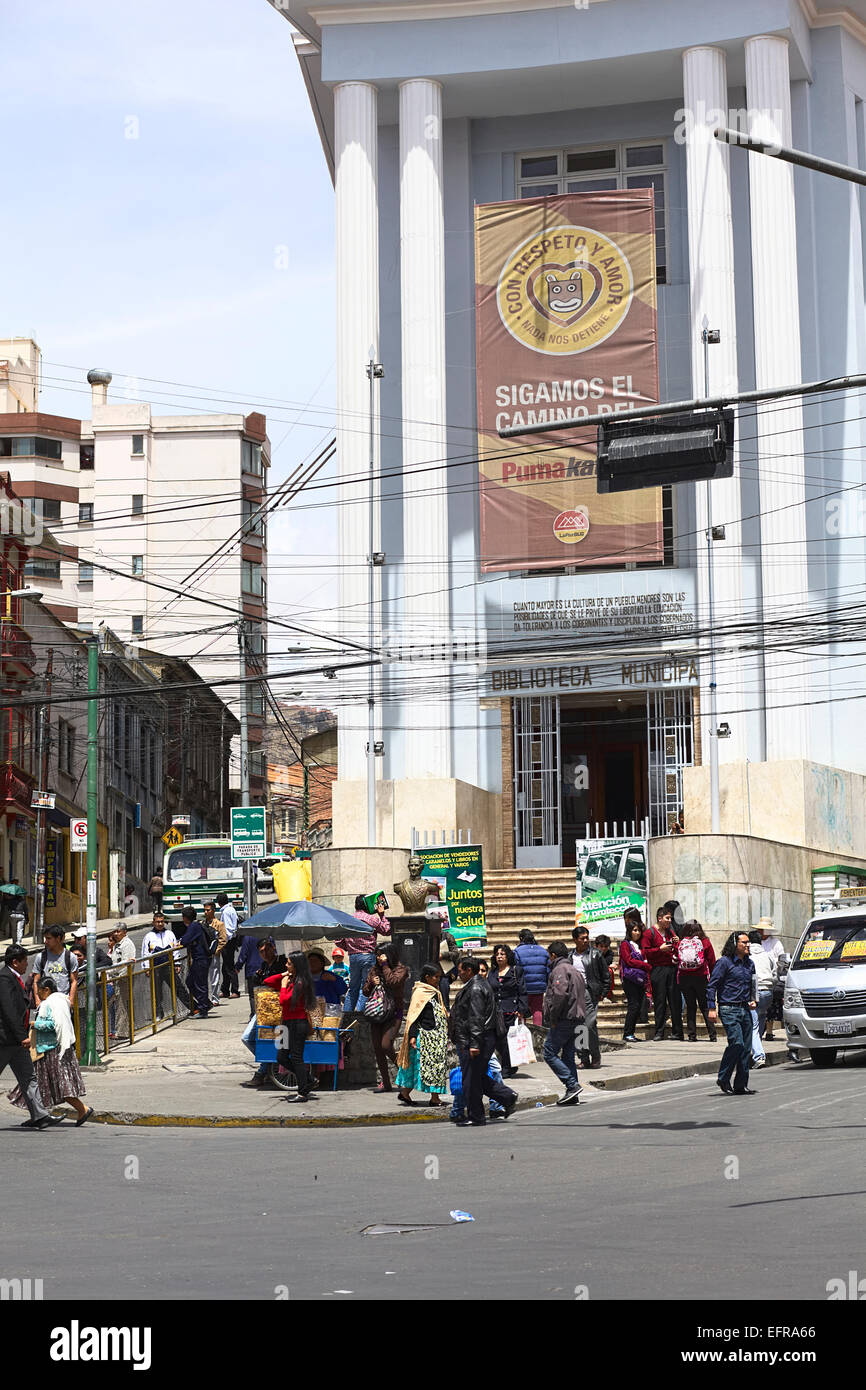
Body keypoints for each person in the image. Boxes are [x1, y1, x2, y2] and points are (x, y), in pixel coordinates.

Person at [9, 978, 92, 1125]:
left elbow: (53, 1025)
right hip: (50, 1050)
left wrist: (36, 1024)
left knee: (60, 1086)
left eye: (39, 991)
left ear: (46, 990)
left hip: (52, 1052)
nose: (37, 994)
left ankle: (82, 1109)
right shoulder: (60, 1001)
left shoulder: (50, 1003)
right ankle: (37, 1116)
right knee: (39, 1086)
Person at [447, 954, 517, 1126]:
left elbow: (476, 1018)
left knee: (471, 1080)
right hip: (475, 1039)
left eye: (461, 970)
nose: (459, 974)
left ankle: (476, 1116)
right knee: (476, 1077)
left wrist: (474, 1044)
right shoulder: (475, 985)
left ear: (469, 970)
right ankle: (507, 1097)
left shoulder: (476, 988)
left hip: (476, 1040)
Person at [0, 944, 58, 1129]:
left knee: (28, 1077)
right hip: (6, 1040)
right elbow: (9, 1011)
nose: (27, 964)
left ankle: (40, 1116)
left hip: (17, 1041)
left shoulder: (13, 977)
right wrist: (21, 1036)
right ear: (15, 962)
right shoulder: (4, 979)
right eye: (24, 960)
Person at [707, 932, 758, 1096]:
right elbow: (711, 985)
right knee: (737, 1043)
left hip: (745, 1009)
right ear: (735, 944)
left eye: (749, 942)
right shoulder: (724, 962)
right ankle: (723, 1077)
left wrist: (753, 999)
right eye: (744, 942)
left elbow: (753, 984)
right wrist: (711, 1008)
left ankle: (741, 1085)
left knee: (746, 1048)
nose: (748, 945)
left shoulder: (750, 964)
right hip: (728, 1008)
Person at [263, 951, 317, 1103]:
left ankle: (303, 1092)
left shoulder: (301, 982)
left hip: (297, 1023)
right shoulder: (290, 978)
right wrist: (283, 975)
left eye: (289, 963)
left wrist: (283, 986)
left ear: (296, 965)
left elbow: (284, 1000)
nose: (286, 965)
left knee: (296, 1057)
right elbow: (267, 981)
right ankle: (307, 1079)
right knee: (281, 1056)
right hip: (286, 1023)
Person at [396, 963, 449, 1107]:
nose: (438, 979)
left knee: (429, 1067)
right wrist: (412, 1036)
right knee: (426, 1067)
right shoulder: (421, 992)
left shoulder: (435, 991)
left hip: (436, 1037)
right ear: (427, 977)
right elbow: (414, 1016)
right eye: (436, 977)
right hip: (425, 1037)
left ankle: (406, 1093)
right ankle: (433, 1098)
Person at [240, 939, 288, 1088]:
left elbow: (279, 981)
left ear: (273, 948)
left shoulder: (283, 962)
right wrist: (258, 978)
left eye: (267, 950)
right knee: (247, 1037)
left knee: (274, 1042)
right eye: (261, 952)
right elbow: (261, 984)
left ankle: (263, 1071)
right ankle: (270, 1065)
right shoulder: (263, 966)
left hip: (278, 1009)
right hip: (264, 1009)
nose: (265, 954)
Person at [542, 940, 585, 1106]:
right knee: (568, 1055)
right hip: (577, 1018)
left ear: (553, 955)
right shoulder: (574, 970)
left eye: (549, 956)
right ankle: (573, 1093)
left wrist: (553, 1018)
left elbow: (559, 996)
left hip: (564, 1019)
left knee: (549, 1053)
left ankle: (572, 1085)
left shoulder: (560, 970)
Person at [362, 942, 408, 1094]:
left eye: (382, 954)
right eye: (377, 954)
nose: (379, 957)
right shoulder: (375, 969)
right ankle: (386, 1083)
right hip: (377, 1012)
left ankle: (405, 1073)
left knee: (386, 1045)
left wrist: (386, 965)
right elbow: (365, 992)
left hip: (394, 1013)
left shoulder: (400, 969)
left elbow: (393, 982)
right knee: (378, 1048)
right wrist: (371, 984)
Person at [335, 894, 391, 1014]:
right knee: (366, 987)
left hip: (353, 957)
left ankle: (347, 1017)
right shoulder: (372, 919)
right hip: (368, 956)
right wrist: (381, 915)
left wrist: (349, 947)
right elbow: (387, 930)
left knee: (352, 988)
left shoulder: (348, 920)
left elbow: (338, 940)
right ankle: (360, 1016)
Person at [641, 902, 684, 1041]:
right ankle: (659, 1031)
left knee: (675, 1000)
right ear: (660, 918)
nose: (670, 921)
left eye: (670, 918)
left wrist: (677, 942)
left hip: (671, 968)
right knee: (660, 1001)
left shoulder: (670, 932)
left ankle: (678, 1031)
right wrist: (659, 949)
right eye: (667, 918)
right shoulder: (649, 933)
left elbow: (677, 949)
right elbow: (645, 952)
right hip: (657, 970)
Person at [570, 926, 611, 1068]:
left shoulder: (595, 954)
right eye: (582, 938)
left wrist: (603, 992)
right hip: (574, 994)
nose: (586, 940)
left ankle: (595, 1055)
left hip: (589, 992)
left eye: (587, 937)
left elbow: (606, 975)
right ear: (575, 940)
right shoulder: (570, 957)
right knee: (578, 1027)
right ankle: (583, 1057)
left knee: (589, 1025)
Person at [488, 944, 529, 1078]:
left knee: (507, 1040)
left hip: (511, 1010)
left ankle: (507, 1067)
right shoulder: (492, 972)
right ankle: (509, 1065)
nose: (499, 957)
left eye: (502, 954)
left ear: (507, 957)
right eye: (497, 954)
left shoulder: (516, 971)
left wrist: (521, 1009)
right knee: (498, 1040)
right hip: (496, 1011)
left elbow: (522, 991)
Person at [677, 920, 718, 1042]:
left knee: (690, 1007)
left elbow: (676, 959)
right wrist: (713, 978)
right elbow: (711, 961)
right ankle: (712, 1035)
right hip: (701, 977)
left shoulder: (681, 942)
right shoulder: (705, 942)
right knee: (704, 1006)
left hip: (685, 978)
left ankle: (691, 1035)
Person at [141, 912, 179, 1021]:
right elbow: (145, 953)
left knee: (178, 988)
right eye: (158, 922)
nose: (160, 923)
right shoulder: (148, 936)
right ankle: (158, 1014)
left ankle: (190, 1008)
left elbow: (175, 949)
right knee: (157, 993)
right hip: (155, 968)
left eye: (162, 921)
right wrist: (147, 968)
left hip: (169, 966)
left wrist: (177, 963)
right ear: (154, 922)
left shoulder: (170, 934)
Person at [747, 928, 777, 1068]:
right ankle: (753, 1052)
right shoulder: (767, 955)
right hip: (768, 992)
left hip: (755, 992)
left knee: (753, 1025)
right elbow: (775, 972)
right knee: (759, 1022)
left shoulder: (748, 956)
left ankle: (759, 1056)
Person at [619, 917, 651, 1042]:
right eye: (635, 930)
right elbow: (628, 960)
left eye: (639, 931)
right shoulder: (625, 944)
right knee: (633, 1005)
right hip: (630, 979)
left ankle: (631, 1032)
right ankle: (627, 1033)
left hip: (639, 979)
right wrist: (644, 965)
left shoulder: (638, 946)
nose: (637, 933)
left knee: (637, 1006)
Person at [31, 927, 78, 1010]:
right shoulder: (41, 957)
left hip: (63, 1003)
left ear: (58, 938)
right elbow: (36, 981)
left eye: (49, 938)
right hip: (46, 1003)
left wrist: (71, 1000)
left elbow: (74, 981)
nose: (46, 942)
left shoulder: (70, 957)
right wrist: (38, 1001)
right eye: (45, 938)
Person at [178, 906, 211, 1019]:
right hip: (199, 959)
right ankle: (205, 1003)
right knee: (190, 981)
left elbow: (186, 940)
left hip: (201, 959)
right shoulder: (195, 926)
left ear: (186, 918)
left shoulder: (194, 927)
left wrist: (181, 942)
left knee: (200, 984)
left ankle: (203, 1010)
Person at [513, 928, 550, 1027]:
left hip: (524, 987)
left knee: (522, 1010)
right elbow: (547, 970)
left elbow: (516, 970)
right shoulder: (543, 951)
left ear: (521, 938)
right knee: (537, 1011)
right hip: (539, 987)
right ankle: (538, 1035)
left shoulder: (517, 951)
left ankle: (522, 1034)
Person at [107, 923, 137, 1039]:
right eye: (114, 931)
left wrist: (118, 976)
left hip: (123, 978)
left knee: (122, 1005)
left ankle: (122, 1032)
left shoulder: (127, 944)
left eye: (118, 931)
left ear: (125, 932)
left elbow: (126, 963)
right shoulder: (117, 945)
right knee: (118, 1005)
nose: (116, 934)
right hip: (116, 978)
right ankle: (122, 1030)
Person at [202, 900, 227, 1008]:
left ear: (213, 910)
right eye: (205, 910)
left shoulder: (219, 924)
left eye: (208, 910)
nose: (206, 912)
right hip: (204, 955)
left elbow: (223, 940)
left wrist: (216, 951)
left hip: (214, 955)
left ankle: (215, 998)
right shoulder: (202, 924)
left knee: (214, 977)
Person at [215, 892, 241, 998]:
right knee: (225, 967)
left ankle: (235, 990)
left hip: (228, 942)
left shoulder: (226, 912)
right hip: (230, 941)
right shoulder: (230, 909)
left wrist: (223, 941)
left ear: (219, 903)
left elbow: (229, 929)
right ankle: (225, 990)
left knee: (229, 967)